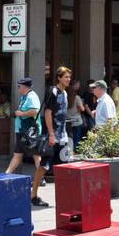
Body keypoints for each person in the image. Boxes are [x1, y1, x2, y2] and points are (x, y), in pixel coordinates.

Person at [30, 66, 72, 206]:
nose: (68, 79)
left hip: (63, 136)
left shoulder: (65, 93)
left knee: (64, 168)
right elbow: (47, 113)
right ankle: (33, 195)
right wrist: (51, 135)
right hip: (53, 136)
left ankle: (63, 197)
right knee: (44, 166)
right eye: (66, 77)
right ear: (59, 78)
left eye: (69, 77)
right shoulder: (53, 91)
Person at [5, 77, 44, 200]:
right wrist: (17, 113)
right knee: (17, 154)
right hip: (22, 131)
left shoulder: (32, 97)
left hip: (30, 132)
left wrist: (20, 114)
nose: (18, 88)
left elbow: (34, 111)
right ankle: (6, 175)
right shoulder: (24, 97)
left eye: (19, 86)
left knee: (36, 155)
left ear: (25, 87)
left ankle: (41, 178)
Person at [66, 79, 84, 150]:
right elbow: (82, 109)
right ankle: (74, 152)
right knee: (76, 139)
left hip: (67, 121)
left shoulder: (64, 98)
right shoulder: (77, 98)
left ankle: (68, 151)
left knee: (68, 138)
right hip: (77, 121)